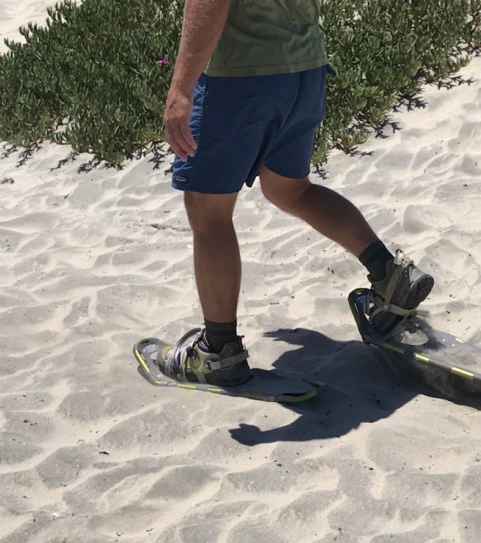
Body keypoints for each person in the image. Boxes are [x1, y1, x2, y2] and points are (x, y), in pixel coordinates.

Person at [159, 0, 434, 386]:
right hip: (304, 69)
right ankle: (388, 274)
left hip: (240, 77)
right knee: (289, 189)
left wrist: (181, 87)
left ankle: (219, 352)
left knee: (209, 213)